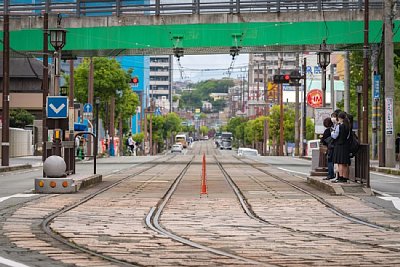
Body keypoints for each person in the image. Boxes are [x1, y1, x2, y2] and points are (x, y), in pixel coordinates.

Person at [331, 112, 351, 183]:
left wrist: (332, 132)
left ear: (339, 118)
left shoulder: (339, 126)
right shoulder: (348, 126)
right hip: (345, 146)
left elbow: (335, 136)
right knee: (345, 163)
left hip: (339, 145)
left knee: (340, 163)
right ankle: (345, 177)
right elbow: (348, 137)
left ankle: (341, 177)